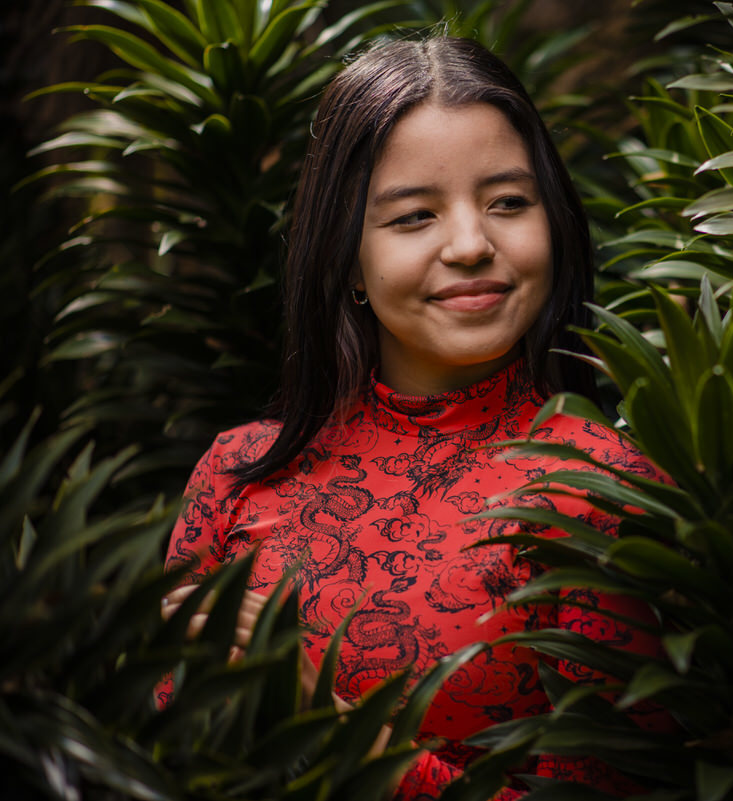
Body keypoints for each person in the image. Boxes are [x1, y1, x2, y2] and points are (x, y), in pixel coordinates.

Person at [159, 36, 663, 799]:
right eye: (413, 215)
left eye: (508, 203)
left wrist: (333, 733)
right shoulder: (236, 475)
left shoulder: (603, 493)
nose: (471, 244)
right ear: (347, 255)